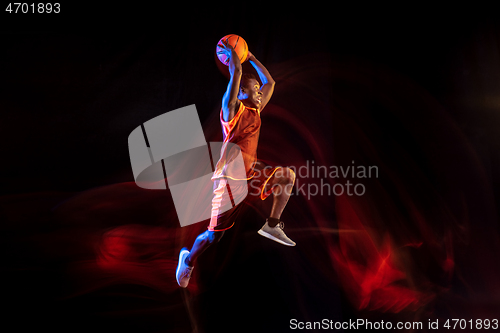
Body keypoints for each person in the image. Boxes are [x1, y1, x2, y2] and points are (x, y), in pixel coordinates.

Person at [176, 41, 296, 288]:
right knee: (214, 237)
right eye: (254, 89)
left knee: (288, 176)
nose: (260, 92)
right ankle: (188, 259)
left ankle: (272, 226)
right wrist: (234, 56)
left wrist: (250, 55)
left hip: (251, 172)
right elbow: (237, 74)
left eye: (259, 91)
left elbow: (270, 82)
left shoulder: (256, 110)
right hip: (229, 181)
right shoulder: (232, 111)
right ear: (240, 92)